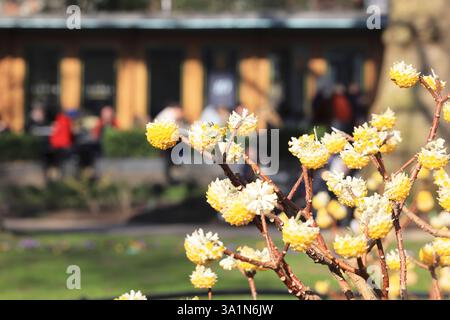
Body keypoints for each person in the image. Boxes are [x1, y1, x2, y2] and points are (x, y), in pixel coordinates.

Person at [48, 110, 76, 180]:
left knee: (54, 155)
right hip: (64, 146)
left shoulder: (58, 121)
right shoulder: (67, 121)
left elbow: (53, 135)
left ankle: (55, 171)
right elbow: (71, 134)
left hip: (56, 146)